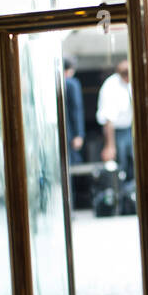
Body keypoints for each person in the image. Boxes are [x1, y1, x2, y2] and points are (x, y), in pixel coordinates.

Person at [96, 58, 134, 182]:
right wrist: (110, 146)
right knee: (119, 167)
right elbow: (108, 120)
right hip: (116, 132)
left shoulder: (129, 84)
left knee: (133, 164)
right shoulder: (111, 86)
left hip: (129, 129)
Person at [62, 56, 84, 206]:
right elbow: (76, 109)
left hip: (59, 133)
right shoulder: (71, 83)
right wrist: (79, 134)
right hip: (69, 132)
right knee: (68, 169)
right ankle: (70, 205)